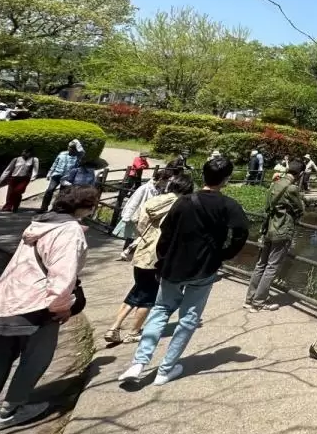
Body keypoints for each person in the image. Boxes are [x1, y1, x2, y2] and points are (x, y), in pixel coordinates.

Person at [118, 156, 249, 386]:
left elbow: (166, 234)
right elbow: (241, 233)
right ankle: (165, 370)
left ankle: (138, 363)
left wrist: (162, 259)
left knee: (160, 311)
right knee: (188, 319)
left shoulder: (185, 201)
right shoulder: (229, 205)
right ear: (226, 179)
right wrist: (224, 254)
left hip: (174, 266)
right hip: (204, 268)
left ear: (203, 175)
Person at [0, 187, 96, 430]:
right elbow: (62, 275)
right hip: (37, 305)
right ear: (84, 207)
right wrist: (61, 307)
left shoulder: (39, 223)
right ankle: (11, 410)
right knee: (36, 359)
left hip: (6, 300)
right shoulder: (70, 231)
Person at [105, 174, 192, 346]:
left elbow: (140, 223)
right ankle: (133, 332)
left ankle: (114, 327)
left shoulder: (153, 201)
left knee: (138, 289)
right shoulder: (181, 205)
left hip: (143, 251)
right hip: (158, 255)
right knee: (148, 295)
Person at [244, 159, 305, 312]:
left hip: (269, 228)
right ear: (301, 173)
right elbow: (300, 209)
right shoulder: (292, 188)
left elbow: (267, 207)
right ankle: (259, 302)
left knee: (261, 264)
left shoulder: (275, 184)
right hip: (282, 229)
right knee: (271, 267)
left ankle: (250, 298)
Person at [114, 168, 169, 259]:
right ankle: (126, 254)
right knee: (132, 236)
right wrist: (127, 217)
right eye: (165, 181)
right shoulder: (145, 188)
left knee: (138, 236)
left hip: (148, 216)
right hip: (138, 215)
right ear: (161, 179)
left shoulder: (159, 189)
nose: (166, 183)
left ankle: (130, 254)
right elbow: (134, 202)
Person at [40, 141, 80, 213]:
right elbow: (55, 163)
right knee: (49, 190)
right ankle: (43, 207)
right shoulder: (62, 154)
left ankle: (56, 208)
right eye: (69, 147)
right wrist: (49, 173)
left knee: (62, 194)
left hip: (66, 178)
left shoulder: (77, 157)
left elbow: (77, 169)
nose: (70, 149)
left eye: (72, 148)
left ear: (75, 149)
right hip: (57, 175)